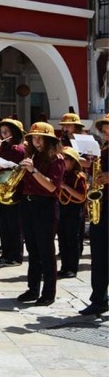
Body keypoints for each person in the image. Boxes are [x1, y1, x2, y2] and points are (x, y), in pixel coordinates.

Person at [15, 122, 64, 307]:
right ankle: (33, 288)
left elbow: (52, 186)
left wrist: (33, 170)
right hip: (28, 204)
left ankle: (49, 292)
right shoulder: (32, 155)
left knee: (46, 250)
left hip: (45, 206)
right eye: (33, 138)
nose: (35, 142)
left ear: (48, 140)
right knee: (32, 249)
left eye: (39, 138)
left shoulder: (56, 159)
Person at [80, 114, 108, 316]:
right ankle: (98, 298)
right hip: (102, 207)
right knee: (98, 256)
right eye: (104, 130)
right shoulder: (103, 150)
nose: (106, 133)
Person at [0, 118, 26, 266]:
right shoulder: (3, 147)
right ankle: (5, 253)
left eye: (7, 132)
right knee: (3, 223)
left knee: (14, 224)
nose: (4, 135)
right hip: (2, 188)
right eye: (2, 132)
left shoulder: (19, 148)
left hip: (15, 189)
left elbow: (2, 165)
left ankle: (16, 256)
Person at [57, 148, 87, 279]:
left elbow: (81, 196)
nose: (64, 161)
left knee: (72, 240)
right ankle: (64, 266)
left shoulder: (78, 176)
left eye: (67, 159)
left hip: (74, 210)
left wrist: (65, 187)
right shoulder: (61, 174)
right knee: (62, 239)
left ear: (74, 161)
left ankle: (72, 268)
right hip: (61, 209)